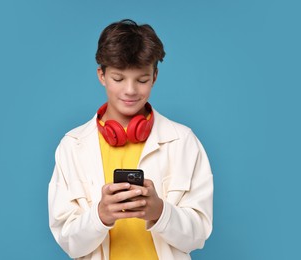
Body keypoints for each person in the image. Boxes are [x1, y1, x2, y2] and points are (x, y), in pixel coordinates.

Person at [48, 19, 213, 260]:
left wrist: (160, 212)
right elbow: (68, 241)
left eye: (142, 80)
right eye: (118, 79)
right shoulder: (72, 146)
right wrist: (100, 215)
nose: (130, 90)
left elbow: (198, 236)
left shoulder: (184, 141)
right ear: (101, 75)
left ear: (155, 76)